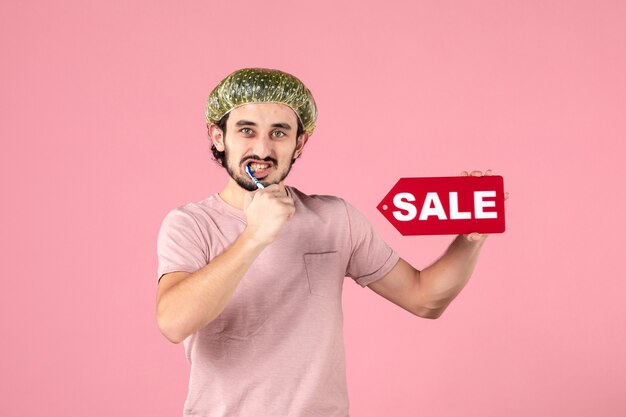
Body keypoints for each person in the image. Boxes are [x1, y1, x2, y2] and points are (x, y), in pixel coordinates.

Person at [156, 68, 501, 417]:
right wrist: (254, 236)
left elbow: (425, 299)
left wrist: (470, 239)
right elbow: (173, 322)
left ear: (299, 143)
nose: (262, 148)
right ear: (219, 137)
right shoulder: (190, 225)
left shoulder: (336, 219)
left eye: (279, 132)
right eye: (246, 130)